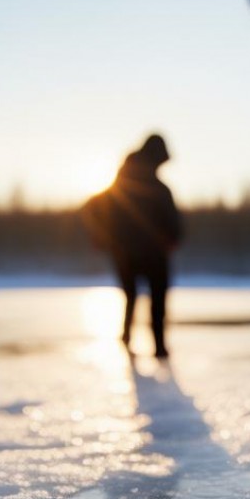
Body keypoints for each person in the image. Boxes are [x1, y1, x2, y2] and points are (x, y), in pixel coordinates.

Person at [83, 134, 183, 358]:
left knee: (135, 296)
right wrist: (102, 236)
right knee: (150, 296)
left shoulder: (125, 184)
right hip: (142, 252)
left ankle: (137, 341)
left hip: (129, 251)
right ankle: (151, 345)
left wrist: (102, 236)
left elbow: (92, 207)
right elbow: (93, 208)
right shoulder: (147, 188)